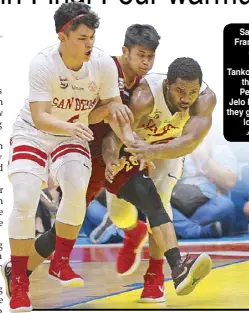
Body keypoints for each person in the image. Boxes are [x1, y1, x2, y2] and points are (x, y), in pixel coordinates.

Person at [2, 22, 160, 305]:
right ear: (126, 51)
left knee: (149, 200)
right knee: (65, 222)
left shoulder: (144, 86)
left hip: (112, 151)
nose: (146, 63)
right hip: (81, 145)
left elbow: (123, 120)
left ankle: (146, 255)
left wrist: (140, 148)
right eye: (141, 55)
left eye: (151, 56)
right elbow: (91, 112)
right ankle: (19, 271)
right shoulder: (101, 67)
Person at [103, 57, 216, 301]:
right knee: (120, 214)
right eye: (180, 91)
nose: (187, 98)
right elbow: (113, 134)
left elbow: (190, 142)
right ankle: (132, 232)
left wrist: (153, 152)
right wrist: (112, 158)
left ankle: (155, 276)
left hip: (168, 151)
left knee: (160, 201)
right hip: (134, 145)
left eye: (192, 91)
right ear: (167, 85)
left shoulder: (205, 100)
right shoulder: (145, 96)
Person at [171, 139, 236, 239]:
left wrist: (205, 158)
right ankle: (196, 231)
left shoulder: (221, 150)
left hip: (207, 205)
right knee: (151, 200)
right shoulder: (176, 151)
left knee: (226, 205)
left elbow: (229, 182)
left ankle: (180, 228)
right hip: (179, 204)